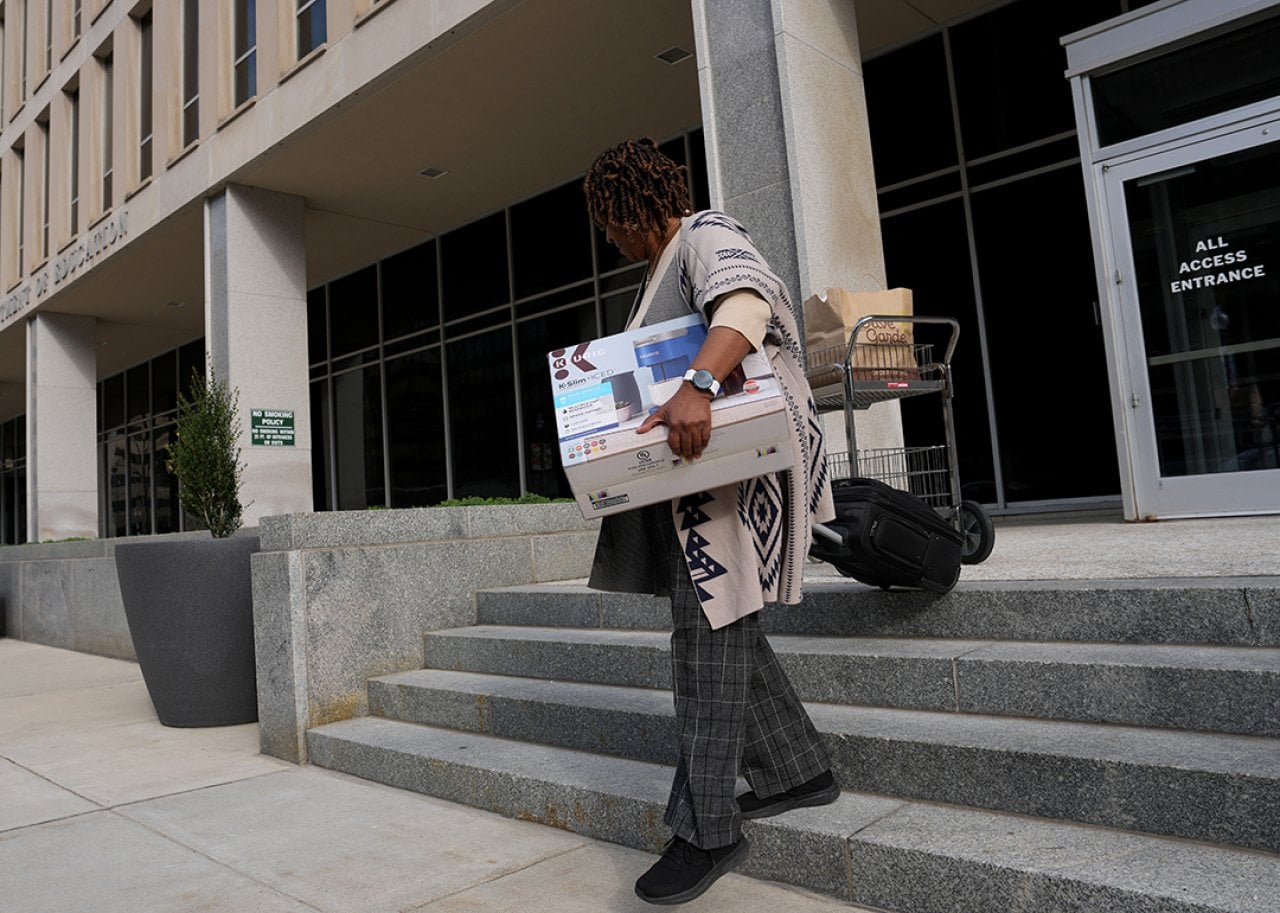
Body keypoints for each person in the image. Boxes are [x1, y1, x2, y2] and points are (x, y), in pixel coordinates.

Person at [582, 138, 838, 905]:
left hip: (724, 483)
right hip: (700, 484)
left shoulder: (704, 233)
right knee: (723, 628)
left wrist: (698, 383)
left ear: (630, 208)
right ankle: (800, 770)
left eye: (609, 223)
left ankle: (706, 830)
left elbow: (747, 305)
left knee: (705, 642)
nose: (610, 240)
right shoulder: (665, 264)